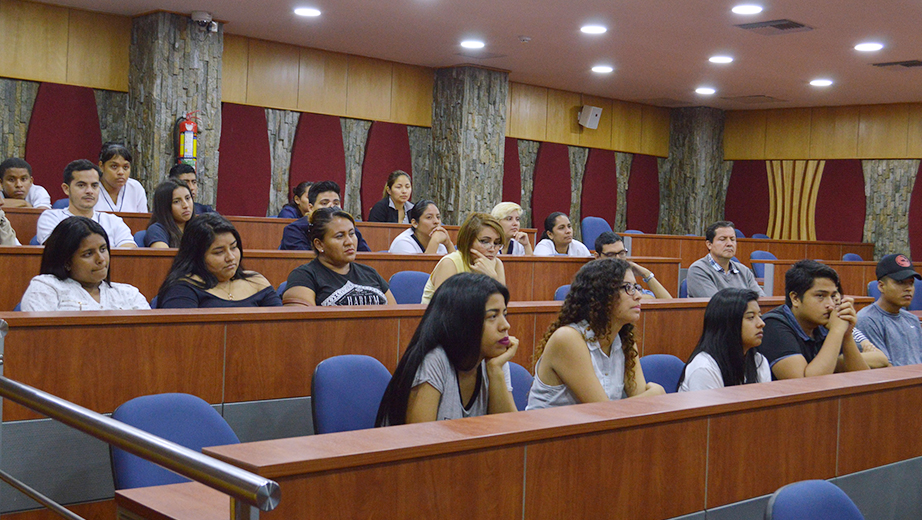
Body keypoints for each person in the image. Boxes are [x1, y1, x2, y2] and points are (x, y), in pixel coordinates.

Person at [375, 273, 518, 425]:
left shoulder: (495, 361)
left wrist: (495, 371)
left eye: (504, 314)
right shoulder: (433, 360)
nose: (505, 325)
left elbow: (509, 433)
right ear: (465, 322)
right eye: (492, 316)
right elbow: (420, 442)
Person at [526, 258, 665, 409]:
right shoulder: (567, 338)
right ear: (602, 294)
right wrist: (655, 394)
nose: (638, 295)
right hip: (548, 430)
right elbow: (603, 412)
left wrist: (649, 400)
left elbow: (640, 407)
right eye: (627, 287)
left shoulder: (624, 339)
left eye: (636, 287)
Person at [758, 260, 869, 379]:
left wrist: (847, 335)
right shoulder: (773, 325)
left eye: (833, 296)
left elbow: (862, 379)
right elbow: (804, 385)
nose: (831, 305)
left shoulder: (824, 322)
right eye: (820, 296)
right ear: (795, 298)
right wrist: (836, 331)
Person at [21, 216, 149, 311]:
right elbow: (40, 341)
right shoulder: (46, 287)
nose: (101, 259)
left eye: (103, 249)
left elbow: (149, 338)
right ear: (67, 261)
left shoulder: (129, 294)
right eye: (88, 254)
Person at [156, 213, 282, 308]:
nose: (231, 257)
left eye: (233, 247)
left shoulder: (256, 281)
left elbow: (281, 329)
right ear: (196, 255)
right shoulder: (182, 288)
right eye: (219, 252)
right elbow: (180, 338)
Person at [282, 208, 395, 306]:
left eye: (351, 233)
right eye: (340, 236)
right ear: (319, 244)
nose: (349, 242)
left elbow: (395, 317)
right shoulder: (304, 276)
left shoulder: (370, 273)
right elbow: (302, 325)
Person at [677, 288, 771, 392]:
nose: (761, 323)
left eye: (760, 316)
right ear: (729, 323)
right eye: (751, 317)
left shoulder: (758, 361)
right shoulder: (705, 368)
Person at [35, 160, 136, 247]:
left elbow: (128, 251)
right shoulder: (51, 218)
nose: (89, 191)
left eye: (94, 185)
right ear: (66, 189)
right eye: (81, 185)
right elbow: (56, 250)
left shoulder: (113, 221)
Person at [420, 213, 506, 305]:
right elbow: (447, 310)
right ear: (468, 241)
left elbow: (501, 308)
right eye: (484, 241)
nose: (492, 249)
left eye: (497, 243)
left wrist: (492, 279)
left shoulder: (496, 263)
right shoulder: (450, 263)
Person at [856, 254, 922, 366]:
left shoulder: (912, 319)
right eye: (900, 282)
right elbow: (885, 368)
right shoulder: (867, 320)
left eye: (911, 283)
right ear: (881, 286)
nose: (908, 288)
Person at [279, 180, 370, 251]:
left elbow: (366, 257)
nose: (331, 207)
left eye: (336, 203)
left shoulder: (348, 227)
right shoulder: (294, 230)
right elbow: (304, 262)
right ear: (311, 208)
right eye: (324, 203)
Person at [686, 221, 764, 298]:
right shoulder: (698, 270)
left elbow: (761, 300)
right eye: (723, 239)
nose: (729, 244)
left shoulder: (744, 271)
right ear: (709, 244)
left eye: (732, 239)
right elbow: (716, 305)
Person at [593, 231, 672, 299]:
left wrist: (646, 274)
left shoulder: (629, 281)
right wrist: (648, 298)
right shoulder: (593, 282)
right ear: (597, 257)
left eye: (621, 253)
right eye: (610, 254)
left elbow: (668, 303)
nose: (618, 259)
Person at [95, 142, 148, 213]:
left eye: (125, 167)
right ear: (101, 166)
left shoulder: (135, 188)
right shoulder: (92, 188)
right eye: (114, 166)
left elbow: (142, 221)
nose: (121, 172)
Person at [388, 199, 453, 254]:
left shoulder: (439, 241)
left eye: (438, 217)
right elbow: (424, 267)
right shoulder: (403, 243)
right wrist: (434, 242)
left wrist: (448, 244)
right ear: (415, 223)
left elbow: (458, 267)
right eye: (429, 217)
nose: (436, 221)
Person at [145, 179, 194, 248]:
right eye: (176, 201)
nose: (186, 205)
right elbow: (163, 257)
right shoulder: (156, 230)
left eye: (187, 198)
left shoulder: (198, 227)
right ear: (165, 206)